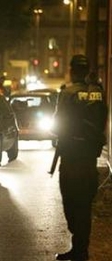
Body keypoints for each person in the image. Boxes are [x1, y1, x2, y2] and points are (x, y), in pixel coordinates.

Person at [52, 54, 107, 261]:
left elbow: (58, 122)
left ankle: (80, 248)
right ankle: (81, 249)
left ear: (73, 70)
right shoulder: (99, 93)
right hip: (89, 158)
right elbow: (103, 118)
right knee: (84, 204)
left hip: (71, 156)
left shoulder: (67, 93)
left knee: (70, 201)